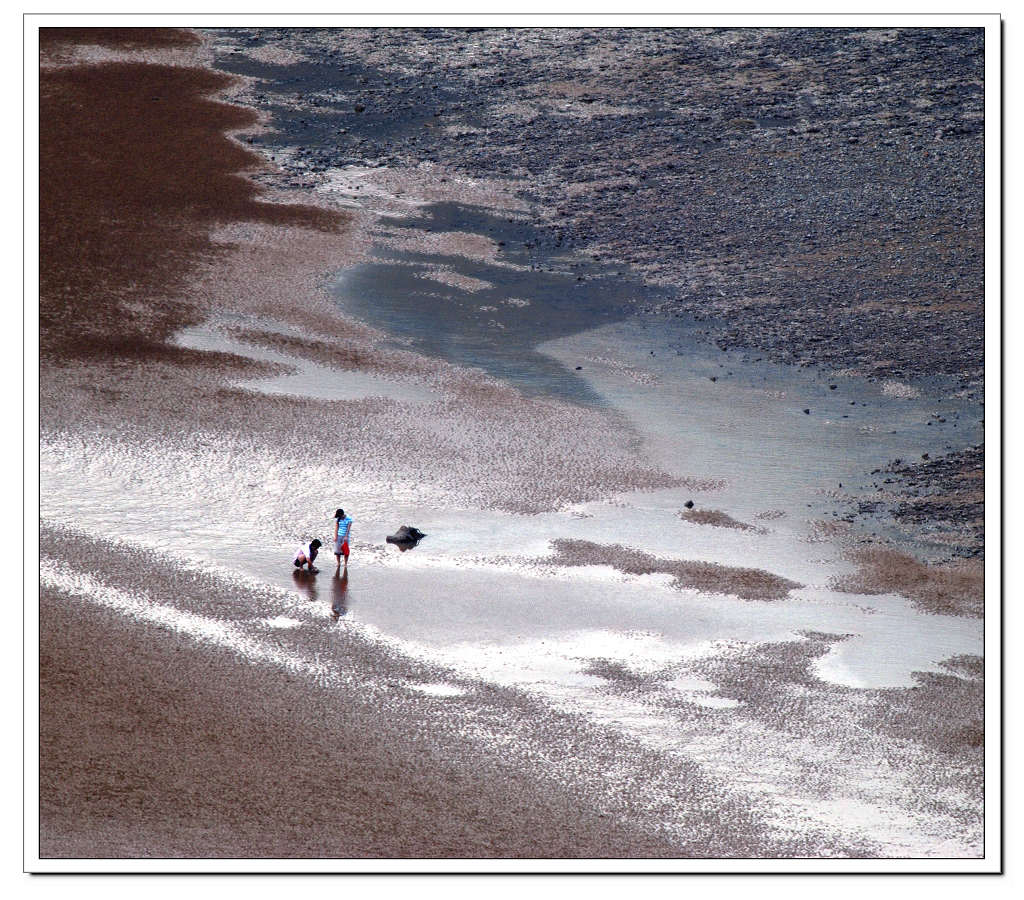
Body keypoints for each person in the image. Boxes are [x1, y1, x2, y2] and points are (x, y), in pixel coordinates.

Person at [333, 508, 354, 572]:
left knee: (346, 551)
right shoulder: (338, 519)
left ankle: (345, 564)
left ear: (342, 514)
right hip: (339, 536)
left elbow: (348, 529)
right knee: (337, 551)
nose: (339, 517)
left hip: (345, 536)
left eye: (339, 516)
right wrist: (335, 536)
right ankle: (338, 563)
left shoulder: (349, 519)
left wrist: (346, 536)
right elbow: (336, 528)